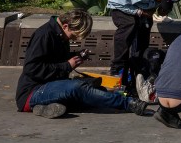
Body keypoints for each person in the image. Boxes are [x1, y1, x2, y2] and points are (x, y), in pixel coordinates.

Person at [16, 9, 148, 119]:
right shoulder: (44, 35)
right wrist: (67, 65)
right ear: (66, 25)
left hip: (50, 85)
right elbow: (32, 69)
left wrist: (75, 56)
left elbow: (53, 60)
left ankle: (44, 107)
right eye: (73, 36)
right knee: (78, 88)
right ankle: (129, 103)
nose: (73, 39)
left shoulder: (61, 35)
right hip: (32, 92)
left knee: (93, 90)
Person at [106, 0, 181, 83]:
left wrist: (162, 8)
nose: (161, 3)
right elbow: (115, 1)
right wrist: (139, 12)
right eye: (162, 0)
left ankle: (139, 63)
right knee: (129, 23)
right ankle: (118, 67)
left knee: (145, 24)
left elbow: (165, 1)